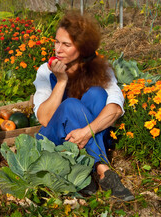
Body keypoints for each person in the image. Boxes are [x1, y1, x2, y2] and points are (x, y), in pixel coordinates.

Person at [33, 11, 134, 201]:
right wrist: (62, 81)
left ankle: (84, 171)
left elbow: (116, 108)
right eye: (56, 42)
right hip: (53, 142)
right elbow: (44, 118)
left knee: (97, 95)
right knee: (71, 105)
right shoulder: (45, 72)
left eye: (66, 45)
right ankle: (102, 170)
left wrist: (86, 132)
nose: (58, 50)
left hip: (83, 136)